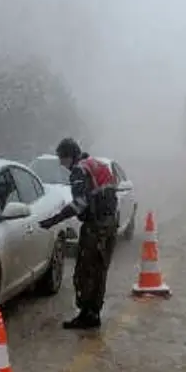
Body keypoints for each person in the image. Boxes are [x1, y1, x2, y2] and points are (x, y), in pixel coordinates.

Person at [37, 137, 119, 330]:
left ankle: (85, 314)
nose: (62, 164)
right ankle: (94, 313)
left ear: (71, 156)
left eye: (62, 159)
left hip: (95, 226)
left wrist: (54, 220)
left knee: (84, 271)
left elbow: (79, 203)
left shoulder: (79, 171)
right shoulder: (95, 164)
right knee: (100, 270)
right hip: (109, 224)